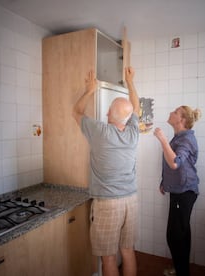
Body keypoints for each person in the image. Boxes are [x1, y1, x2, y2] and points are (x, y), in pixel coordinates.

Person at [72, 67, 140, 276]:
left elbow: (76, 111)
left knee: (108, 257)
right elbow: (136, 109)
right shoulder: (133, 133)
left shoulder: (100, 132)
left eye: (109, 109)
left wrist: (89, 90)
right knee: (127, 252)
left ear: (111, 114)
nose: (106, 112)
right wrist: (130, 82)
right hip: (130, 200)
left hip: (108, 203)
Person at [153, 106, 201, 276]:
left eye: (175, 112)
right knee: (182, 233)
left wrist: (162, 139)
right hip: (179, 190)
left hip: (184, 193)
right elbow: (171, 162)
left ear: (181, 120)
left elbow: (175, 163)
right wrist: (164, 181)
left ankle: (181, 271)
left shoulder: (186, 140)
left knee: (174, 236)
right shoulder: (180, 137)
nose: (171, 112)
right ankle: (181, 269)